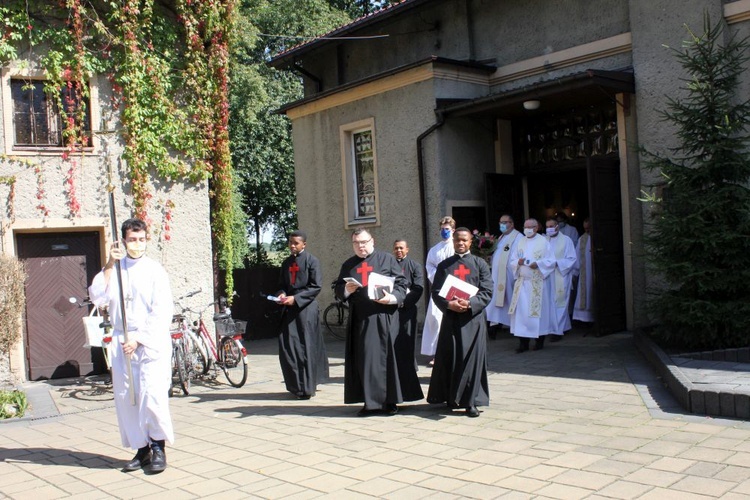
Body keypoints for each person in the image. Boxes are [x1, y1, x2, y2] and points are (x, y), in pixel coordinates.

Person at [88, 218, 174, 473]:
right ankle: (141, 449)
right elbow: (98, 296)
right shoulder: (115, 269)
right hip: (121, 341)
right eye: (132, 240)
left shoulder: (155, 270)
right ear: (123, 241)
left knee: (152, 396)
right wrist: (110, 263)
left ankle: (158, 446)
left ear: (146, 239)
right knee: (129, 398)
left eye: (141, 239)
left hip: (148, 342)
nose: (137, 244)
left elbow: (162, 310)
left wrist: (139, 339)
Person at [334, 228, 422, 415]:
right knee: (366, 360)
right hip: (361, 319)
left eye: (364, 242)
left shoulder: (386, 259)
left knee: (388, 360)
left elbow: (401, 283)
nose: (361, 246)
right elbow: (338, 287)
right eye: (356, 243)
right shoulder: (349, 264)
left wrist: (391, 298)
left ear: (372, 241)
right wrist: (347, 289)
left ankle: (391, 401)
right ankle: (370, 403)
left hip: (385, 317)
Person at [426, 227, 493, 417]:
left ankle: (470, 401)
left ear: (471, 241)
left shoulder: (480, 264)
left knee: (472, 360)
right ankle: (450, 397)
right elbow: (436, 292)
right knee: (452, 358)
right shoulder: (444, 266)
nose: (461, 243)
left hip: (473, 320)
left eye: (464, 240)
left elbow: (487, 291)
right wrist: (449, 304)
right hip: (452, 319)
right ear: (453, 241)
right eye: (457, 240)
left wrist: (470, 303)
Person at [275, 230, 329, 400]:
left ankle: (307, 387)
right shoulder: (286, 263)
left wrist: (296, 298)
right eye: (290, 242)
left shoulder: (312, 261)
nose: (292, 245)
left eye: (296, 243)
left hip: (305, 308)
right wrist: (281, 294)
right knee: (289, 347)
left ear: (304, 244)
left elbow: (316, 286)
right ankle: (295, 385)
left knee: (305, 347)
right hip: (289, 309)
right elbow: (282, 284)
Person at [508, 218, 556, 353]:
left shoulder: (544, 242)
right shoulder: (520, 241)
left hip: (537, 284)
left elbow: (551, 261)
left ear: (536, 228)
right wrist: (519, 261)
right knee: (521, 315)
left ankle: (539, 341)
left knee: (537, 314)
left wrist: (539, 264)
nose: (527, 229)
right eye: (525, 227)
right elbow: (512, 259)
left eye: (530, 227)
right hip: (522, 284)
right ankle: (523, 343)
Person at [420, 216, 456, 364]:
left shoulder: (457, 247)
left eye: (447, 229)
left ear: (453, 230)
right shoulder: (435, 249)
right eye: (442, 229)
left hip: (455, 289)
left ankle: (452, 352)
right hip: (440, 289)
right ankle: (436, 353)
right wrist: (439, 278)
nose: (444, 232)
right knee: (435, 321)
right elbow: (429, 266)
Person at [484, 214, 523, 334]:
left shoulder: (518, 237)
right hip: (497, 275)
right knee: (496, 300)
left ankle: (514, 326)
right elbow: (498, 255)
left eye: (505, 222)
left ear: (512, 224)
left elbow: (518, 255)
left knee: (509, 300)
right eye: (501, 222)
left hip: (509, 275)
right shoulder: (500, 237)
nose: (502, 225)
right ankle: (495, 324)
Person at [393, 239, 424, 371]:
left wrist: (405, 302)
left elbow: (418, 287)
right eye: (396, 248)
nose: (398, 251)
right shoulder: (389, 264)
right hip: (392, 307)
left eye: (401, 248)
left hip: (407, 307)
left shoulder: (414, 266)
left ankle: (410, 366)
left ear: (407, 249)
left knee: (407, 337)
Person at [544, 218, 577, 342]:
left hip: (560, 275)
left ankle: (557, 332)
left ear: (557, 226)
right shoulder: (544, 240)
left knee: (560, 302)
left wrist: (556, 263)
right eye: (547, 226)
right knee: (550, 303)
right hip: (547, 275)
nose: (549, 229)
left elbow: (572, 258)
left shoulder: (566, 240)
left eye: (552, 226)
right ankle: (565, 326)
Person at [573, 217, 595, 324]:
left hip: (595, 272)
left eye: (589, 228)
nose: (587, 230)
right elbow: (577, 257)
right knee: (586, 291)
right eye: (585, 228)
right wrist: (575, 273)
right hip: (585, 273)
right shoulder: (582, 239)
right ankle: (585, 319)